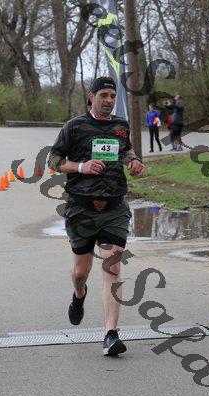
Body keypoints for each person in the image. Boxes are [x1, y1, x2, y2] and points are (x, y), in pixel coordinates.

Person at [47, 77, 145, 357]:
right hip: (81, 209)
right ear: (91, 97)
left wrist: (134, 162)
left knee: (113, 268)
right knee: (81, 272)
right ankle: (79, 295)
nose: (109, 100)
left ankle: (111, 334)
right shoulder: (74, 127)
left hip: (114, 207)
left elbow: (126, 151)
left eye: (113, 95)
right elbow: (53, 160)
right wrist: (81, 166)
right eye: (104, 95)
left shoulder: (120, 126)